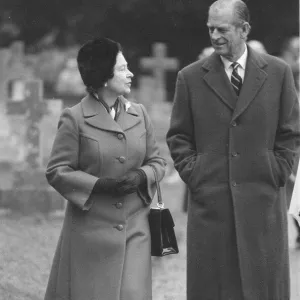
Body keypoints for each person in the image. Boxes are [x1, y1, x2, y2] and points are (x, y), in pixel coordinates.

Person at [166, 0, 300, 299]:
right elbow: (178, 137)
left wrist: (276, 169)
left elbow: (290, 133)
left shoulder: (278, 73)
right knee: (214, 288)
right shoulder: (190, 77)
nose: (214, 36)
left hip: (263, 200)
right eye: (210, 29)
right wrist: (197, 174)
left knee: (264, 287)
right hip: (212, 204)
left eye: (222, 29)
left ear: (245, 29)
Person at [44, 37, 166, 300]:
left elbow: (158, 163)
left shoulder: (140, 114)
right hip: (90, 230)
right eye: (122, 69)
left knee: (134, 294)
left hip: (136, 226)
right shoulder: (74, 117)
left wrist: (141, 176)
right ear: (104, 76)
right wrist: (98, 185)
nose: (130, 73)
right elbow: (57, 170)